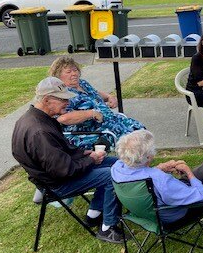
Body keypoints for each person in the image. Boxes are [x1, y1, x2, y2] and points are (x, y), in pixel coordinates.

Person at [11, 77, 123, 243]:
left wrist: (86, 154)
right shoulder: (39, 131)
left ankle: (94, 214)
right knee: (112, 175)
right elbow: (64, 170)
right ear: (47, 100)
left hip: (58, 172)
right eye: (63, 99)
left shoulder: (39, 118)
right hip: (57, 184)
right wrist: (91, 161)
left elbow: (62, 151)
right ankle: (108, 228)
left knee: (117, 163)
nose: (67, 103)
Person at [111, 130, 203, 225]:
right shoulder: (159, 179)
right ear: (147, 157)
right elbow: (201, 196)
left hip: (155, 206)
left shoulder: (117, 168)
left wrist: (159, 168)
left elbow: (141, 173)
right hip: (176, 212)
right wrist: (189, 173)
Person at [49, 56, 144, 149]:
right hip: (92, 131)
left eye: (75, 70)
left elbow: (94, 93)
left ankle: (140, 161)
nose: (74, 74)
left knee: (140, 130)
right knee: (133, 140)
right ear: (58, 76)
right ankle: (134, 161)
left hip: (111, 121)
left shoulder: (82, 83)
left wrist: (109, 96)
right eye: (68, 72)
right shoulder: (64, 94)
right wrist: (91, 113)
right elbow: (63, 119)